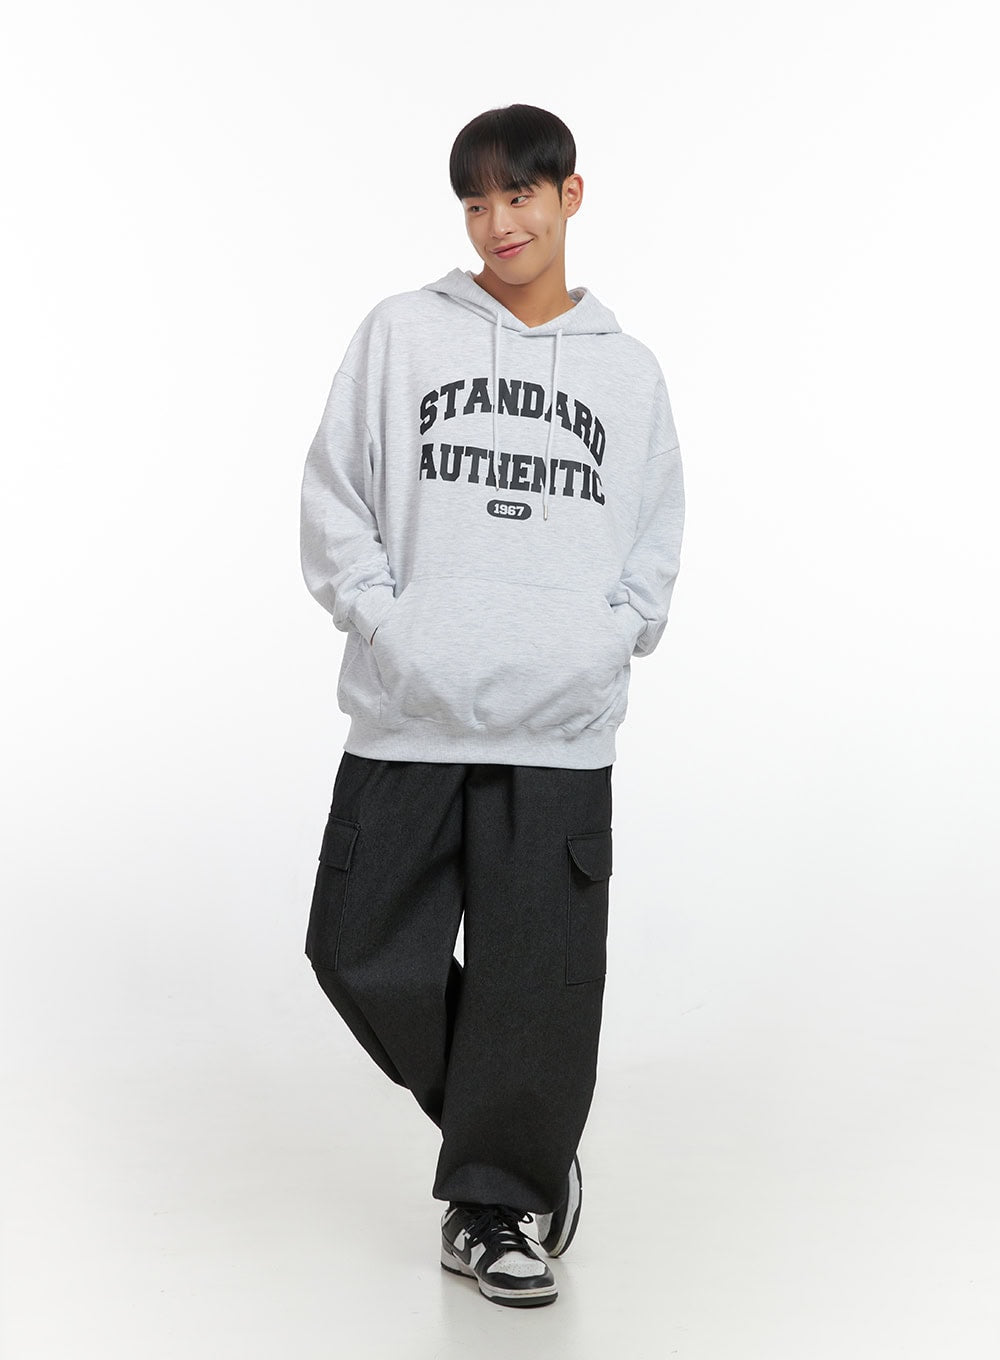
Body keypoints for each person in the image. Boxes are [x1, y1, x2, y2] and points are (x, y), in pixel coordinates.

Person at [299, 102, 685, 1309]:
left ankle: (497, 1205)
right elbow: (334, 497)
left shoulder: (626, 372)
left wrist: (609, 640)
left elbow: (655, 539)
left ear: (570, 195)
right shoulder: (401, 334)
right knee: (355, 948)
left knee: (537, 980)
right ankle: (517, 1134)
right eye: (475, 201)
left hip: (559, 731)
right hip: (408, 709)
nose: (497, 221)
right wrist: (385, 622)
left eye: (519, 193)